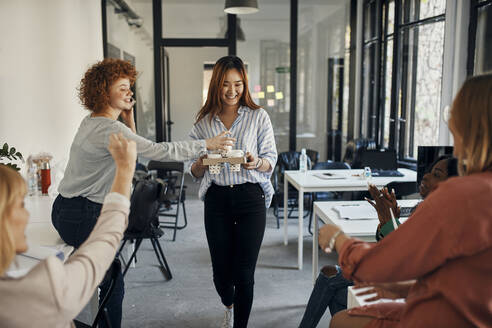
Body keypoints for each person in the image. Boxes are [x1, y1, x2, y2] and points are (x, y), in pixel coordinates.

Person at [51, 58, 235, 328]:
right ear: (104, 91)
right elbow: (158, 151)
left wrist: (129, 120)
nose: (130, 93)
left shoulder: (93, 122)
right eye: (123, 88)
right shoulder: (108, 128)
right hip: (84, 214)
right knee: (112, 283)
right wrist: (207, 144)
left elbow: (132, 153)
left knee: (103, 279)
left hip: (68, 209)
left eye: (130, 88)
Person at [319, 73, 492, 327]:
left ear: (468, 127)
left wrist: (338, 239)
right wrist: (410, 288)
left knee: (340, 320)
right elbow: (467, 276)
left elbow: (379, 265)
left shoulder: (462, 196)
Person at [298, 156, 458, 328]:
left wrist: (340, 239)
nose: (426, 176)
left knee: (335, 290)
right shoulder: (420, 208)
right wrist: (386, 222)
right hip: (399, 278)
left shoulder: (445, 219)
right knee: (330, 277)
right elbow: (398, 250)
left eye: (437, 174)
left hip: (406, 288)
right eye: (429, 171)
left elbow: (403, 262)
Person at [0, 133, 135, 327]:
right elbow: (99, 250)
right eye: (21, 206)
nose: (27, 215)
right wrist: (124, 170)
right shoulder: (39, 289)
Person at [187, 55, 277, 328]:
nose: (232, 90)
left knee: (244, 273)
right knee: (221, 275)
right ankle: (229, 304)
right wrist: (205, 157)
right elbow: (190, 169)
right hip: (217, 201)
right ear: (216, 85)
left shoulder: (258, 116)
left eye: (238, 84)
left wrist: (256, 162)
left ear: (244, 85)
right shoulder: (204, 121)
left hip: (251, 198)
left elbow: (271, 159)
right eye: (226, 84)